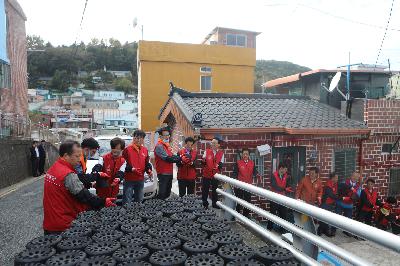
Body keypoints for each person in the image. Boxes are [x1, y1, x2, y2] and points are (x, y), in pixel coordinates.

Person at [43, 140, 116, 234]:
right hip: (63, 224)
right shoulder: (67, 174)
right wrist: (104, 201)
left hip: (50, 222)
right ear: (66, 156)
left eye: (80, 155)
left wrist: (89, 184)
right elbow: (84, 196)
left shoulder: (54, 168)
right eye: (77, 156)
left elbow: (68, 187)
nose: (79, 159)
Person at [123, 130, 152, 203]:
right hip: (129, 179)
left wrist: (149, 170)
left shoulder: (145, 150)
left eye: (140, 138)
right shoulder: (127, 150)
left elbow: (147, 163)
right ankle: (127, 213)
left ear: (143, 139)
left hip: (140, 179)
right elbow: (123, 164)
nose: (138, 140)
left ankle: (137, 213)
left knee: (139, 200)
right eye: (136, 137)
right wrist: (131, 169)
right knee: (127, 200)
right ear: (133, 138)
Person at [154, 126, 181, 199]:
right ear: (160, 136)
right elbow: (167, 158)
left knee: (167, 193)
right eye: (165, 135)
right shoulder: (159, 146)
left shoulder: (166, 146)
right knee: (162, 193)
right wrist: (180, 159)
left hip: (169, 172)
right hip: (163, 173)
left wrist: (180, 157)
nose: (167, 137)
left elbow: (172, 155)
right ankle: (160, 207)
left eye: (168, 135)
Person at [232, 148, 260, 218]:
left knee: (247, 202)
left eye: (246, 154)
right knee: (239, 201)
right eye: (244, 154)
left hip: (248, 186)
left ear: (249, 155)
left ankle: (245, 216)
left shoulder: (252, 163)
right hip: (239, 186)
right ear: (242, 154)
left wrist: (257, 174)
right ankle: (237, 216)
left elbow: (255, 171)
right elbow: (234, 173)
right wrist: (234, 181)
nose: (245, 155)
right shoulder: (238, 162)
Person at [267, 163, 293, 231]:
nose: (286, 171)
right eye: (285, 169)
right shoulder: (273, 175)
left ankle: (282, 230)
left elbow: (288, 186)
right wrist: (284, 189)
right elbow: (274, 186)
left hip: (282, 198)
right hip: (274, 197)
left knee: (283, 214)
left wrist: (289, 189)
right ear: (281, 168)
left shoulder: (287, 176)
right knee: (272, 214)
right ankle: (269, 229)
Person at [202, 136, 224, 209]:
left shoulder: (221, 153)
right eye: (212, 143)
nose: (213, 144)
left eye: (214, 143)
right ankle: (205, 204)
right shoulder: (207, 151)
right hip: (207, 174)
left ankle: (214, 204)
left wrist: (218, 166)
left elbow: (221, 164)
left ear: (218, 145)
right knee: (205, 190)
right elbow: (203, 163)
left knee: (215, 190)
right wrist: (203, 161)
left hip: (215, 175)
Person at [318, 172, 339, 237]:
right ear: (332, 178)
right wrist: (340, 197)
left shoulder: (334, 184)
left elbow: (336, 193)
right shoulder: (328, 185)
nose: (337, 179)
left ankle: (324, 230)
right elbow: (332, 195)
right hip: (325, 204)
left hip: (330, 204)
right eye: (336, 178)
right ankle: (320, 231)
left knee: (327, 218)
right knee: (324, 218)